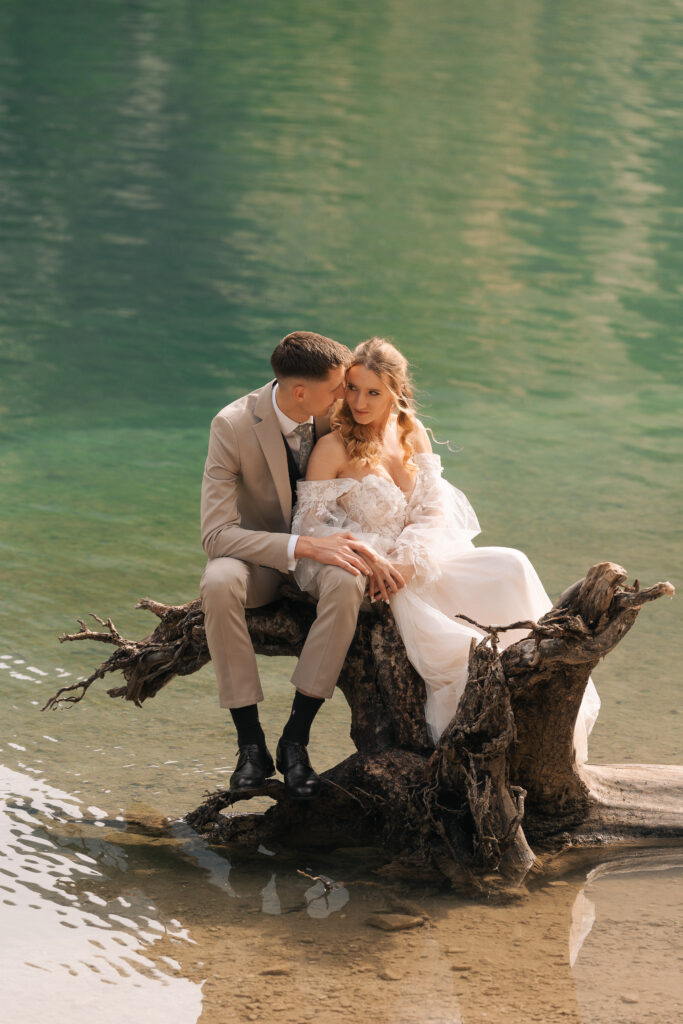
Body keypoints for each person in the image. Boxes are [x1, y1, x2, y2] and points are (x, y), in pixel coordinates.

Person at [293, 337, 600, 758]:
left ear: (396, 393)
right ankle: (481, 746)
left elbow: (435, 508)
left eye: (373, 392)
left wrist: (409, 559)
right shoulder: (333, 446)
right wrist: (377, 559)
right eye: (352, 388)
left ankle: (541, 692)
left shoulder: (410, 432)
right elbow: (311, 526)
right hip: (377, 573)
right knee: (460, 645)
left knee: (512, 564)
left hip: (421, 560)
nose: (359, 401)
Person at [200, 332, 405, 801]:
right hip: (261, 559)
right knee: (218, 580)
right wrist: (303, 546)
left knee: (347, 579)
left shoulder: (336, 409)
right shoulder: (231, 426)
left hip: (331, 553)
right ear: (299, 393)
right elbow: (215, 535)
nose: (347, 398)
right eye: (339, 389)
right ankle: (250, 743)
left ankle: (296, 738)